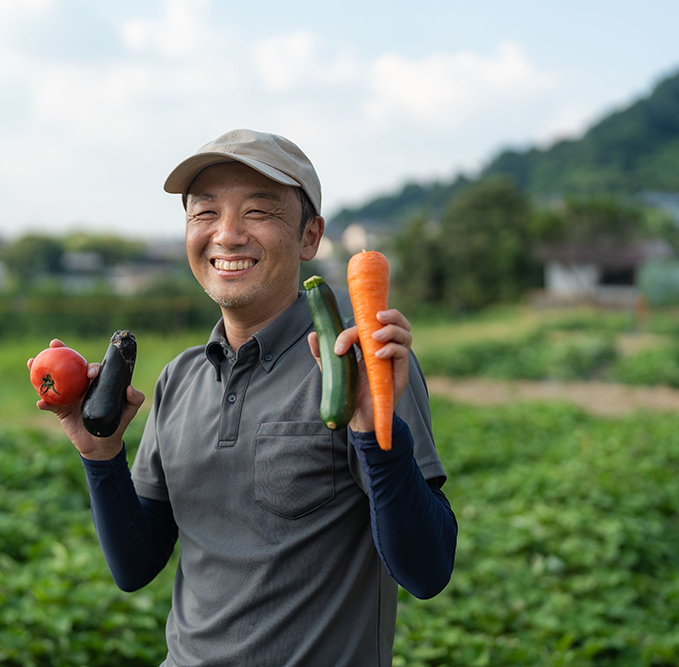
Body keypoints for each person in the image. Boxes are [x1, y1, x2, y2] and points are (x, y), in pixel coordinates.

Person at [30, 129, 457, 667]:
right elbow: (134, 567)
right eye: (204, 213)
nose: (227, 235)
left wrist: (376, 437)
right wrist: (101, 455)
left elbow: (428, 571)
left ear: (309, 237)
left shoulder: (359, 364)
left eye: (258, 211)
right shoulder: (179, 379)